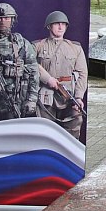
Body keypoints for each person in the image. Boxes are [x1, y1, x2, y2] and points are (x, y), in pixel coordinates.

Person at [33, 11, 88, 139]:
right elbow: (30, 64)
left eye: (63, 24)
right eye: (57, 24)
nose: (60, 27)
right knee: (44, 128)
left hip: (68, 95)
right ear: (49, 26)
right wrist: (47, 79)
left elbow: (82, 74)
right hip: (45, 95)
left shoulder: (75, 48)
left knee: (74, 124)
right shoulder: (38, 46)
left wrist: (79, 97)